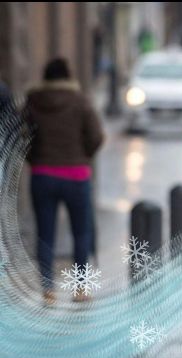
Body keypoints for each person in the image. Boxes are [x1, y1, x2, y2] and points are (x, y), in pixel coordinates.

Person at [24, 58, 104, 305]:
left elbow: (20, 137)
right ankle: (80, 289)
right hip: (76, 176)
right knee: (81, 233)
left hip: (43, 176)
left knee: (45, 234)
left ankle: (48, 290)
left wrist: (35, 159)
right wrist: (83, 156)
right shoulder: (80, 101)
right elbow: (97, 136)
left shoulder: (32, 103)